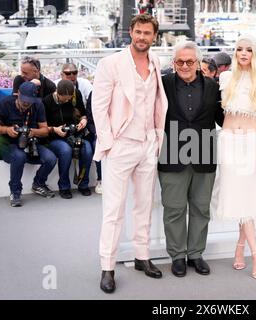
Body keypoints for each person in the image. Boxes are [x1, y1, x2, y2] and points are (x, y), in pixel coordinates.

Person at [92, 13, 168, 294]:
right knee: (113, 209)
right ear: (130, 32)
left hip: (149, 143)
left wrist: (156, 140)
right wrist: (109, 142)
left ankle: (142, 257)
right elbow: (98, 107)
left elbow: (157, 101)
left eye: (147, 33)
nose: (142, 37)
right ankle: (107, 267)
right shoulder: (110, 64)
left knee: (144, 205)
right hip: (121, 144)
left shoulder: (157, 62)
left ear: (154, 36)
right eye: (138, 32)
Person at [158, 41, 224, 278]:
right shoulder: (162, 84)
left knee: (201, 208)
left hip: (204, 154)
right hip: (171, 153)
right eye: (179, 61)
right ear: (174, 63)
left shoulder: (213, 86)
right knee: (174, 209)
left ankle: (195, 254)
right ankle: (177, 256)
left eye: (189, 61)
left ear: (198, 63)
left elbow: (223, 119)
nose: (184, 65)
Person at [216, 35, 256, 280]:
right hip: (228, 143)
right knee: (239, 199)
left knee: (248, 199)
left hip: (252, 144)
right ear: (235, 53)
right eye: (240, 49)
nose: (243, 53)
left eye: (248, 49)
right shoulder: (224, 78)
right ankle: (247, 250)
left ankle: (250, 251)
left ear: (254, 54)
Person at [0, 82, 57, 207]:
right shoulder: (6, 104)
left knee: (51, 158)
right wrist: (7, 130)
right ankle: (15, 192)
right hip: (10, 144)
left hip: (31, 143)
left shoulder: (38, 105)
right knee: (19, 156)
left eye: (29, 101)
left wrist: (32, 132)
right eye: (24, 100)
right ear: (18, 93)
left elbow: (45, 130)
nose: (26, 103)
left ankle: (38, 184)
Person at [43, 80, 93, 199]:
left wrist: (83, 120)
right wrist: (54, 129)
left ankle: (83, 183)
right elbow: (42, 126)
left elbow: (83, 113)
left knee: (88, 150)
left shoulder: (77, 95)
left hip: (75, 135)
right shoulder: (47, 101)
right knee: (65, 151)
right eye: (63, 99)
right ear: (56, 92)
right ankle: (64, 186)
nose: (66, 101)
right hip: (55, 137)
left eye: (69, 98)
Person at [85, 92, 102, 194]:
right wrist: (97, 132)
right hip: (97, 132)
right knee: (98, 145)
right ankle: (101, 180)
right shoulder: (94, 93)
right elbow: (90, 118)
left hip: (117, 131)